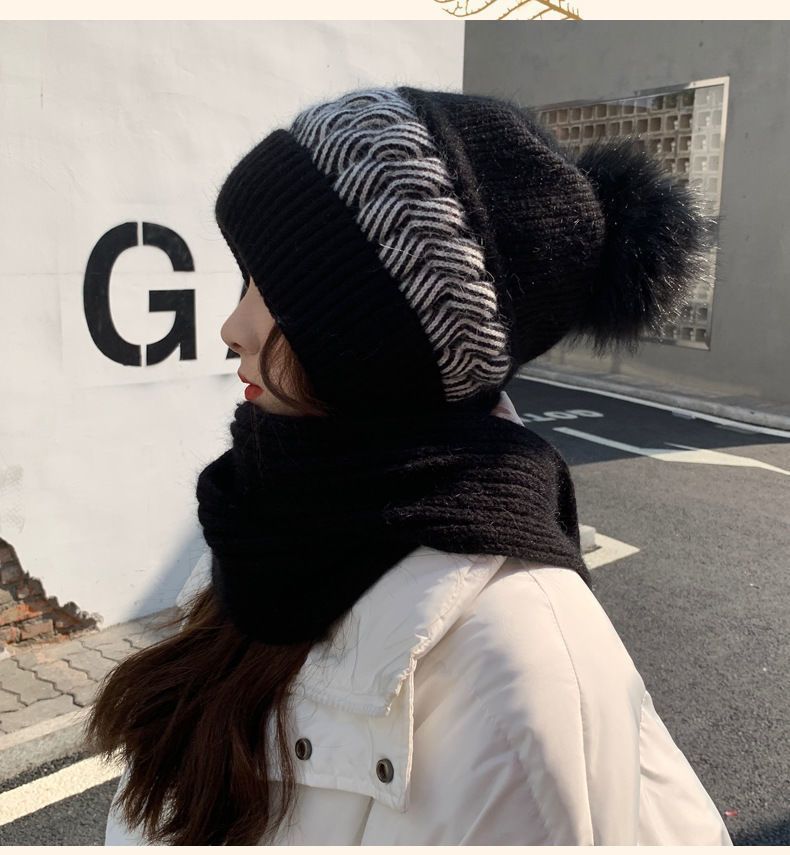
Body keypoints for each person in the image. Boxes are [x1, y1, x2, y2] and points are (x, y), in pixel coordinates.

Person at [90, 85, 732, 845]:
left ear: (372, 353)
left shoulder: (515, 680)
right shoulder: (275, 516)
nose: (233, 325)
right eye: (245, 278)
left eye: (279, 294)